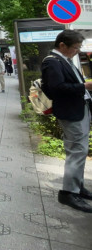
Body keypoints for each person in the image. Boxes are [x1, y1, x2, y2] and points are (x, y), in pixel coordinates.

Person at [41, 30, 92, 213]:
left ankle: (77, 187)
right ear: (62, 45)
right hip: (71, 112)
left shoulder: (64, 60)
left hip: (79, 109)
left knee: (81, 150)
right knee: (77, 151)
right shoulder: (52, 62)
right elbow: (56, 88)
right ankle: (68, 193)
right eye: (75, 48)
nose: (77, 51)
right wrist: (84, 86)